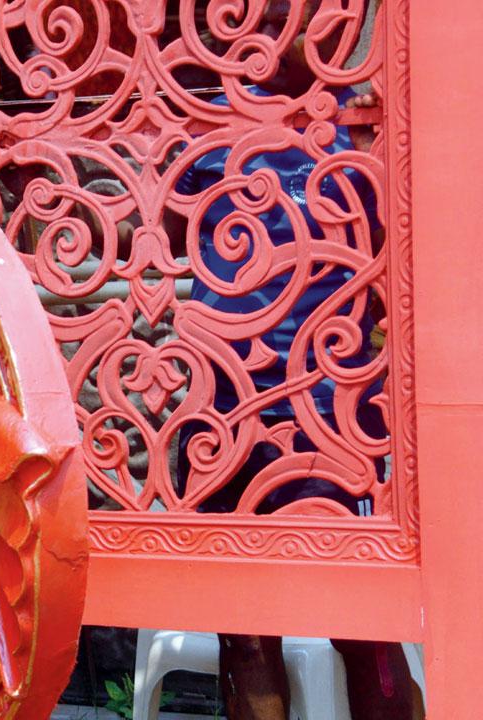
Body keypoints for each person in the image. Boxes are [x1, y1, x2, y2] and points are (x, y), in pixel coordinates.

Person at [172, 2, 422, 718]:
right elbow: (177, 237)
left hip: (336, 410)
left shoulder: (366, 119)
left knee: (366, 627)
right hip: (229, 408)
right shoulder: (205, 121)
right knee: (248, 633)